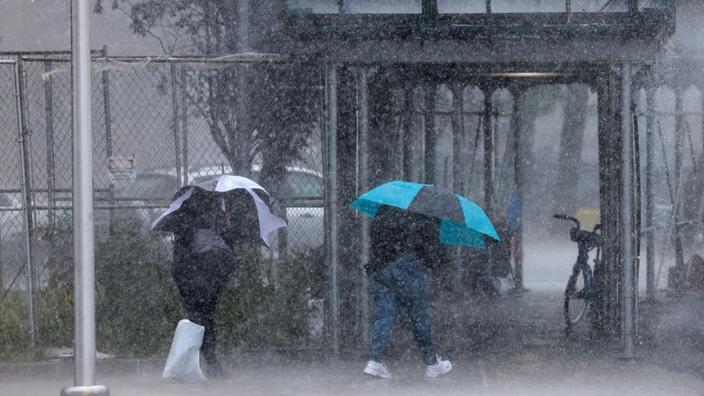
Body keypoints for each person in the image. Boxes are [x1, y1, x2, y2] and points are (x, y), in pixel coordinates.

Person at [171, 188, 258, 377]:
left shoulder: (184, 210)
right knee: (206, 315)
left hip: (191, 270)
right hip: (213, 268)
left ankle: (194, 362)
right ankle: (206, 362)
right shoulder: (216, 210)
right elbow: (229, 244)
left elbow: (180, 249)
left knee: (197, 315)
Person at [362, 206, 453, 379]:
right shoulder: (422, 215)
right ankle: (432, 362)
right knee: (419, 316)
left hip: (380, 268)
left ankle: (374, 361)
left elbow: (376, 243)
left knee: (385, 315)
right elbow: (429, 249)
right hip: (407, 268)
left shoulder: (383, 212)